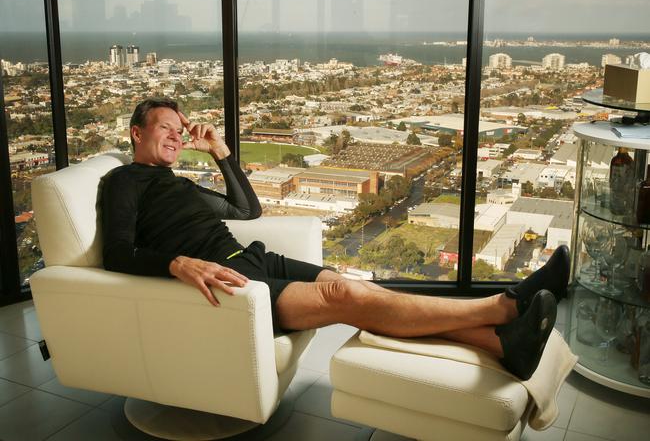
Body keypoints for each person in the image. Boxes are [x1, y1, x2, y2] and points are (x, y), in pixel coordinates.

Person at [100, 98, 570, 380]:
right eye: (167, 128)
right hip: (233, 282)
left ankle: (503, 347)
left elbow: (247, 210)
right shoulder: (124, 181)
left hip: (254, 259)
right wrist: (178, 264)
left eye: (181, 131)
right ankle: (504, 306)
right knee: (345, 294)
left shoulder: (178, 184)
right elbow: (118, 253)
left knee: (359, 288)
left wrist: (221, 152)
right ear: (137, 132)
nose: (178, 137)